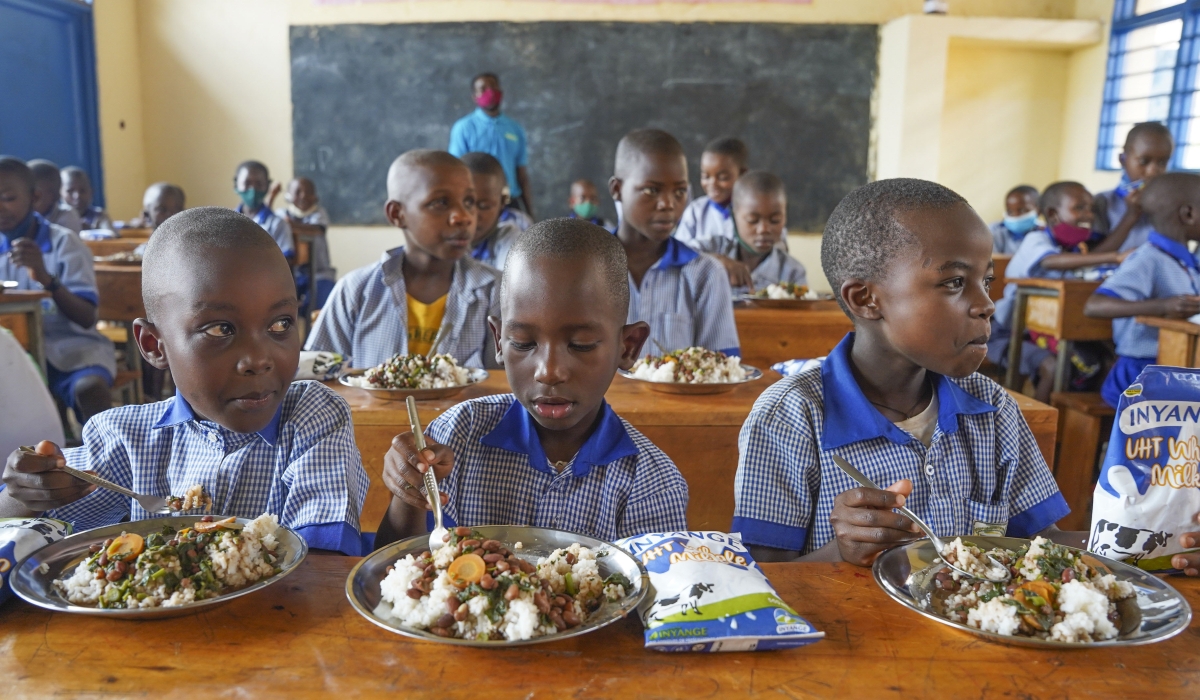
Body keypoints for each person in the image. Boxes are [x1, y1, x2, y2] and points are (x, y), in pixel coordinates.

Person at [733, 178, 1074, 565]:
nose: (986, 304)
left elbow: (1044, 546)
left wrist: (1140, 532)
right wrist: (840, 554)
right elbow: (764, 577)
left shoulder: (993, 408)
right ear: (865, 299)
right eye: (955, 282)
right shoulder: (790, 416)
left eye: (987, 282)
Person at [0, 207, 369, 555]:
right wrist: (24, 492)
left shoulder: (311, 417)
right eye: (221, 329)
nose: (258, 359)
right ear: (154, 345)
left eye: (281, 324)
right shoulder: (127, 441)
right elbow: (26, 527)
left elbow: (323, 569)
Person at [374, 217, 688, 545]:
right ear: (498, 341)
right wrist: (409, 491)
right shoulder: (457, 436)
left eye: (580, 345)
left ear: (628, 347)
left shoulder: (652, 483)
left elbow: (661, 593)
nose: (548, 371)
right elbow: (394, 572)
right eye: (523, 343)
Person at [306, 150, 500, 369]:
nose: (463, 217)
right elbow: (316, 382)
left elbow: (506, 389)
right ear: (397, 214)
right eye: (441, 203)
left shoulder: (497, 292)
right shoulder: (356, 291)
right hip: (369, 405)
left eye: (469, 201)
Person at [0, 157, 114, 423]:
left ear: (35, 197)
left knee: (89, 388)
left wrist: (46, 278)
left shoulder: (64, 243)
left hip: (72, 351)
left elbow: (86, 317)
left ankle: (104, 457)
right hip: (13, 355)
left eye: (8, 197)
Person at [987, 182, 1121, 403]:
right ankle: (1036, 428)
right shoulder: (1037, 240)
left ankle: (1068, 424)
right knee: (1053, 366)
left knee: (1102, 359)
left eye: (1090, 209)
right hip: (1007, 334)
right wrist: (1115, 257)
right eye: (1080, 208)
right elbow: (1051, 262)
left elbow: (1091, 258)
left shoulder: (1076, 250)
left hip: (1047, 333)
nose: (1088, 215)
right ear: (1052, 214)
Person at [610, 129, 740, 357]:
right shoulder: (586, 270)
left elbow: (722, 371)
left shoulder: (706, 275)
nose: (668, 204)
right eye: (652, 190)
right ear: (617, 190)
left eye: (680, 191)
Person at [1085, 173, 1200, 409]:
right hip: (1141, 372)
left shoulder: (1186, 262)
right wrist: (1163, 306)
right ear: (1188, 214)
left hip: (1178, 367)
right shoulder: (1148, 258)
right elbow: (1094, 305)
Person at [695, 171, 806, 295]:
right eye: (753, 220)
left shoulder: (792, 272)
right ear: (734, 216)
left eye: (775, 220)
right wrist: (715, 261)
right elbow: (674, 255)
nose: (764, 229)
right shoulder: (713, 247)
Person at [448, 73, 534, 218]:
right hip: (477, 204)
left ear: (501, 92)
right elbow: (455, 171)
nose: (490, 92)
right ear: (474, 96)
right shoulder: (464, 128)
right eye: (483, 89)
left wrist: (530, 213)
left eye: (493, 87)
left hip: (510, 202)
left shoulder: (515, 129)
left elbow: (522, 174)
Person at [1093, 121, 1174, 252]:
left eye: (1162, 162)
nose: (1153, 171)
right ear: (1123, 160)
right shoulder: (1102, 203)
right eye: (1144, 161)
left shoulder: (1172, 205)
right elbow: (1091, 258)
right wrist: (1131, 215)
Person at [276, 177, 335, 313]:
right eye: (298, 192)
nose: (303, 195)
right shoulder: (281, 214)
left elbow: (317, 229)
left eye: (308, 192)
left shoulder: (319, 213)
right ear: (288, 195)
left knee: (321, 308)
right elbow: (266, 224)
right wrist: (272, 196)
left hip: (320, 274)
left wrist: (291, 225)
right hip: (291, 276)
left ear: (315, 197)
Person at [674, 136, 748, 247]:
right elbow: (679, 251)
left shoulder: (753, 210)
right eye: (706, 176)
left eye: (723, 178)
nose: (712, 184)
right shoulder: (696, 212)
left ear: (742, 174)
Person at [463, 152, 521, 270]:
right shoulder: (440, 244)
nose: (473, 215)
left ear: (502, 202)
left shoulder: (508, 240)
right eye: (467, 204)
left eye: (484, 206)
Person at [232, 160, 294, 260]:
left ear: (267, 186)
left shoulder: (278, 224)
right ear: (236, 185)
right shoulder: (227, 221)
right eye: (247, 183)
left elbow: (285, 262)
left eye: (259, 184)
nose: (253, 189)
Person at [28, 160, 82, 234]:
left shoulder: (67, 216)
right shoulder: (24, 215)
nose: (29, 199)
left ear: (54, 196)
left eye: (36, 196)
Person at [990, 184, 1039, 255]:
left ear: (1038, 210)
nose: (1016, 216)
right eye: (1010, 212)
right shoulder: (995, 232)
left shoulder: (1043, 233)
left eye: (1022, 210)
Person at [59, 167, 112, 231]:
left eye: (82, 190)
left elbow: (111, 237)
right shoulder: (55, 218)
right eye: (70, 191)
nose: (77, 196)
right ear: (59, 193)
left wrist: (90, 230)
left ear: (91, 192)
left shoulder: (99, 216)